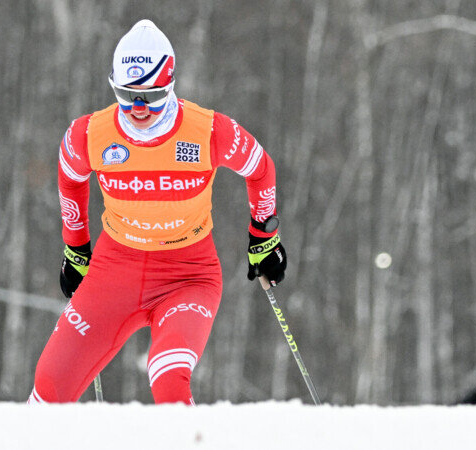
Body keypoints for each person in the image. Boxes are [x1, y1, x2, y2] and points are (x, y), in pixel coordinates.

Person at [28, 19, 286, 405]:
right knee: (49, 387)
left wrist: (264, 239)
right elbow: (69, 178)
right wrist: (76, 249)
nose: (137, 108)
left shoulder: (209, 131)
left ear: (170, 85)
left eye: (150, 96)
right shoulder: (89, 134)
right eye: (126, 94)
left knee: (167, 375)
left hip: (188, 275)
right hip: (114, 272)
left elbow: (261, 168)